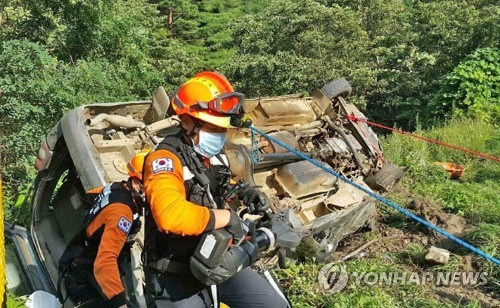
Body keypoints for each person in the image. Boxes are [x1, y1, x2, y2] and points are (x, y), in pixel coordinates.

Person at [142, 71, 290, 307]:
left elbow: (216, 186)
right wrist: (226, 218)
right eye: (214, 128)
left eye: (223, 129)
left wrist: (244, 192)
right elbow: (170, 216)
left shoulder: (211, 155)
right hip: (176, 276)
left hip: (219, 257)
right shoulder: (164, 160)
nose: (220, 135)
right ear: (187, 121)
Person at [57, 150, 149, 308]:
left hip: (76, 259)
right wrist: (120, 303)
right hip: (86, 277)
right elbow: (105, 261)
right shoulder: (122, 214)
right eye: (151, 187)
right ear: (135, 183)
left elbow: (91, 196)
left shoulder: (114, 188)